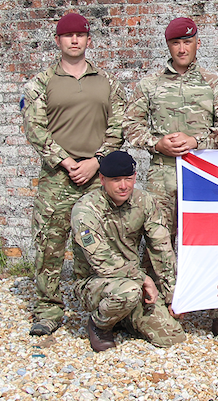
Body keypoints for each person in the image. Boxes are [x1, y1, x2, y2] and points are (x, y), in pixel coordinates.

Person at [122, 17, 218, 336]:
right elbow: (129, 126)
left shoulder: (214, 84)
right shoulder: (150, 85)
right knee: (158, 243)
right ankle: (157, 310)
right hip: (162, 177)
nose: (182, 48)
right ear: (169, 47)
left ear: (197, 43)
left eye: (187, 42)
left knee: (212, 242)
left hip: (205, 176)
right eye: (176, 43)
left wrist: (197, 141)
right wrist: (155, 142)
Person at [21, 12, 125, 336]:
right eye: (68, 36)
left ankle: (95, 311)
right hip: (57, 178)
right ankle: (48, 310)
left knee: (93, 246)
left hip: (96, 177)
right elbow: (34, 127)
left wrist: (97, 160)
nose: (75, 40)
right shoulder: (42, 82)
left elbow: (119, 124)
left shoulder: (106, 81)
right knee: (49, 244)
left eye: (80, 35)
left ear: (88, 40)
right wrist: (65, 161)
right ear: (58, 41)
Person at [71, 150, 186, 352]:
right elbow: (102, 262)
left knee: (172, 336)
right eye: (116, 180)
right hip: (95, 283)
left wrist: (172, 294)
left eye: (128, 179)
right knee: (128, 291)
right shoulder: (85, 210)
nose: (123, 186)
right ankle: (100, 325)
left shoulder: (145, 202)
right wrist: (144, 279)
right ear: (102, 179)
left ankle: (125, 318)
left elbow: (161, 248)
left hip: (133, 283)